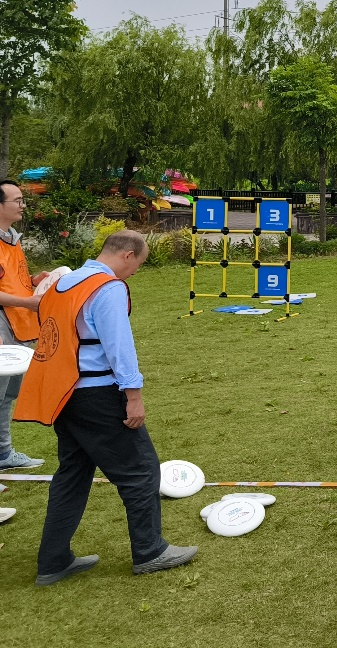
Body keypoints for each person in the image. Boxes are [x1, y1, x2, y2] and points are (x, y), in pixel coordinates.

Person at [14, 229, 198, 585]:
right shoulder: (107, 287)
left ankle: (53, 561)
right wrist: (133, 395)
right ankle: (150, 552)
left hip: (63, 395)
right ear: (127, 255)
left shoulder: (61, 284)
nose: (136, 272)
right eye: (138, 264)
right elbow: (119, 346)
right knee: (141, 471)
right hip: (97, 394)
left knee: (72, 474)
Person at [0, 179, 48, 473]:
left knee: (8, 393)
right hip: (3, 324)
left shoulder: (11, 239)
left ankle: (3, 453)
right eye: (17, 200)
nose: (23, 205)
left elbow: (10, 281)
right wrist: (28, 302)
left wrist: (32, 282)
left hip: (18, 323)